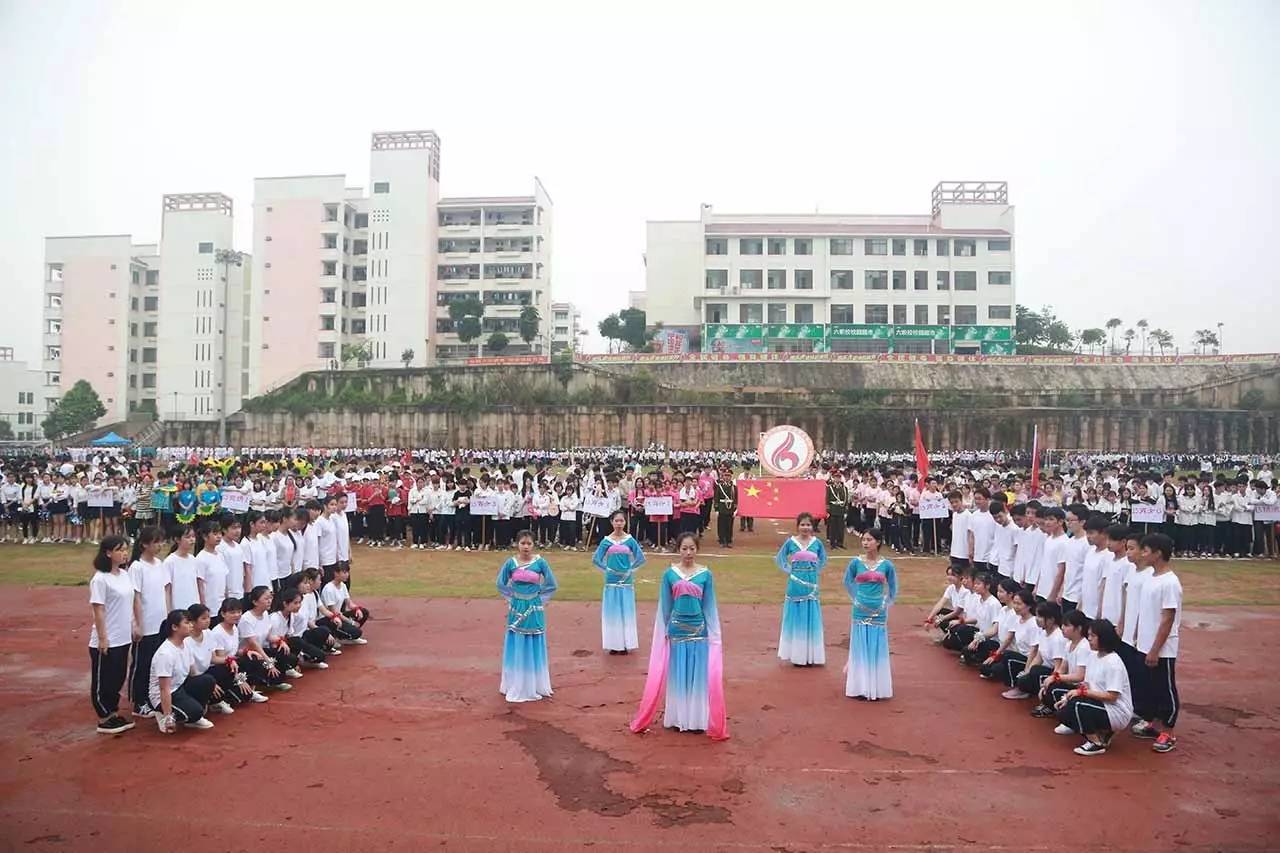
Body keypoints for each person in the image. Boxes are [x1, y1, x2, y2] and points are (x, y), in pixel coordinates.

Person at [630, 532, 728, 740]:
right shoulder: (670, 574)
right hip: (676, 631)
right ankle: (677, 717)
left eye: (692, 548)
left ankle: (697, 720)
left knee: (697, 677)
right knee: (678, 676)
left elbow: (709, 606)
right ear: (679, 549)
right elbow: (665, 606)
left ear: (697, 550)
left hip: (699, 631)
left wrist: (714, 634)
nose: (688, 552)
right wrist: (664, 630)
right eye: (684, 548)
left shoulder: (705, 575)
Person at [1130, 532, 1183, 753]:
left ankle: (1168, 732)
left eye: (1146, 550)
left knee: (1165, 688)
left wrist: (1155, 649)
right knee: (1150, 686)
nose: (1142, 554)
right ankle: (1153, 722)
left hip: (1162, 648)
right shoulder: (1151, 578)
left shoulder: (1170, 583)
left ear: (1158, 554)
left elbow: (1167, 619)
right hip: (1145, 643)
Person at [1053, 619, 1133, 756]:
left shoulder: (1113, 662)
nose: (1089, 639)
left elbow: (1112, 697)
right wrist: (1068, 696)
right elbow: (1088, 684)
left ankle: (1096, 743)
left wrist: (1081, 692)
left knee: (1076, 705)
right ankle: (1105, 732)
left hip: (1117, 711)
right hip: (1102, 705)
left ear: (1104, 638)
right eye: (1089, 635)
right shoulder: (1093, 656)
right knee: (1064, 707)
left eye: (1093, 636)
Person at [496, 529, 558, 702]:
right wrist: (512, 598)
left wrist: (539, 598)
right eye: (522, 543)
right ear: (517, 544)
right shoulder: (511, 563)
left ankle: (534, 683)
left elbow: (552, 584)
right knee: (517, 639)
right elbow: (500, 583)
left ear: (533, 545)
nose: (525, 547)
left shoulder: (540, 563)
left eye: (529, 543)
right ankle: (515, 682)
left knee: (533, 638)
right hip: (517, 607)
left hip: (534, 607)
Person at [88, 535, 137, 734]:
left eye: (126, 549)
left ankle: (113, 712)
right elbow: (98, 610)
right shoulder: (100, 579)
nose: (124, 553)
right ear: (108, 553)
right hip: (108, 637)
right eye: (120, 550)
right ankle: (104, 717)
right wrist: (102, 637)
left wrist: (134, 625)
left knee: (118, 677)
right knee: (103, 679)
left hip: (124, 637)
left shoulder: (125, 575)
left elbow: (130, 603)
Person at [843, 528, 898, 700]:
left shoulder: (887, 565)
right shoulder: (855, 563)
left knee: (877, 647)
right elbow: (847, 581)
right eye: (864, 540)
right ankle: (860, 686)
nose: (865, 543)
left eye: (869, 539)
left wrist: (885, 603)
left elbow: (893, 588)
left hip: (878, 611)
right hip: (860, 609)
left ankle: (877, 687)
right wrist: (856, 599)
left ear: (878, 542)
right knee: (859, 646)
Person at [149, 609, 218, 733]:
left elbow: (194, 672)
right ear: (175, 627)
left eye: (191, 622)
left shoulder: (185, 644)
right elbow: (164, 689)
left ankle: (194, 716)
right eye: (187, 623)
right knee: (195, 712)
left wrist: (210, 685)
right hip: (163, 696)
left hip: (179, 687)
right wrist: (168, 717)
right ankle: (162, 714)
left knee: (207, 680)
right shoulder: (165, 654)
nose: (191, 625)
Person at [773, 512, 828, 666]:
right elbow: (780, 558)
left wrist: (814, 571)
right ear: (797, 526)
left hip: (811, 586)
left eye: (808, 524)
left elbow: (823, 559)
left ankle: (811, 655)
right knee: (795, 618)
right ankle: (797, 655)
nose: (805, 527)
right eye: (802, 524)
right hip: (795, 585)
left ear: (812, 526)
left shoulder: (817, 543)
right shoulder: (791, 542)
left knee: (811, 617)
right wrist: (790, 570)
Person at [127, 525, 168, 719]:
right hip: (146, 623)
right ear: (144, 544)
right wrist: (137, 623)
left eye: (161, 541)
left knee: (156, 664)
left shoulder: (160, 564)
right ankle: (138, 701)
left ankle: (151, 698)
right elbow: (135, 596)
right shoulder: (136, 567)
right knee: (142, 664)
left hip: (160, 622)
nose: (160, 545)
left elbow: (164, 591)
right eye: (156, 542)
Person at [591, 510, 645, 654]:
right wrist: (607, 570)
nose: (619, 524)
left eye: (621, 521)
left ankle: (627, 643)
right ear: (612, 522)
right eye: (616, 521)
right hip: (611, 581)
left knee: (626, 611)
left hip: (626, 581)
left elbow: (640, 558)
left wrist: (630, 570)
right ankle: (614, 644)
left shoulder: (630, 540)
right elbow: (596, 559)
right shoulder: (606, 541)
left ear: (625, 522)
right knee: (612, 612)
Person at [713, 469, 737, 548]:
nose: (727, 477)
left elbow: (736, 498)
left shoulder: (734, 487)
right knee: (721, 525)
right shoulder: (720, 486)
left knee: (729, 525)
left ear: (731, 477)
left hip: (730, 508)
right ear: (723, 477)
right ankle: (722, 540)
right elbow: (716, 498)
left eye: (729, 476)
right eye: (725, 475)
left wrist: (735, 509)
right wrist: (716, 509)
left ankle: (728, 540)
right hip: (722, 507)